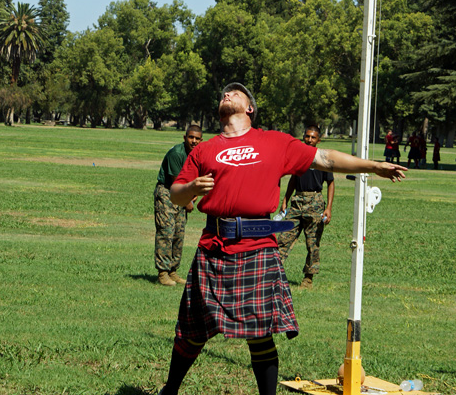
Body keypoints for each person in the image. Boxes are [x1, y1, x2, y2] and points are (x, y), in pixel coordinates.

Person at [159, 83, 406, 395]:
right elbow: (176, 195)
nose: (228, 93)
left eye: (236, 92)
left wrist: (374, 166)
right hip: (214, 247)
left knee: (260, 333)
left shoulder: (273, 142)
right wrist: (192, 187)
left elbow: (326, 159)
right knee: (192, 329)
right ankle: (170, 390)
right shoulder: (204, 150)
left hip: (257, 246)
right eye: (224, 92)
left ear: (250, 108)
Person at [276, 125, 334, 289]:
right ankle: (274, 273)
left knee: (312, 243)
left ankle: (308, 278)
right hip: (297, 201)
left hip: (315, 202)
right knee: (284, 239)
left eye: (313, 137)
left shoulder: (323, 158)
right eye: (307, 136)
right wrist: (286, 199)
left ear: (318, 140)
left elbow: (331, 183)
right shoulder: (298, 156)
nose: (309, 140)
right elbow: (293, 179)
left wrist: (328, 208)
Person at [154, 124, 203, 286]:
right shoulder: (177, 153)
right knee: (166, 232)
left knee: (178, 234)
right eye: (191, 137)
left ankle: (173, 271)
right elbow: (177, 182)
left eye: (197, 138)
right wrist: (189, 201)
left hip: (185, 193)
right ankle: (163, 272)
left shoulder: (198, 154)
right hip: (168, 193)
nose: (194, 141)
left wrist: (193, 196)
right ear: (185, 137)